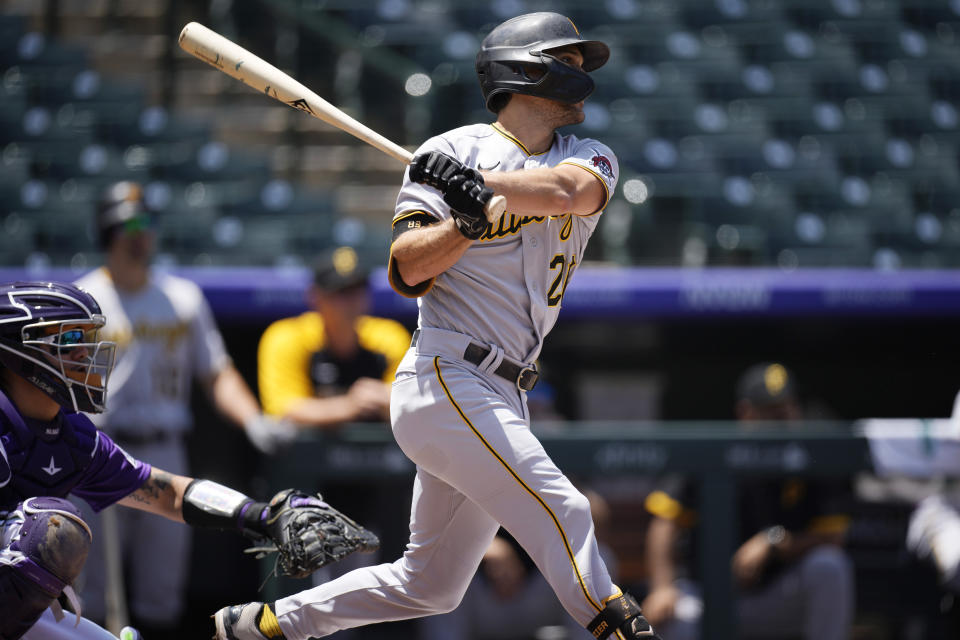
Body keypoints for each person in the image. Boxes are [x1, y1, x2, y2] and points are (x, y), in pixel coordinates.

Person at [212, 11, 659, 640]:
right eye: (569, 60)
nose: (582, 73)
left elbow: (566, 194)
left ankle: (261, 625)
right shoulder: (447, 153)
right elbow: (406, 270)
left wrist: (482, 187)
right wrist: (463, 224)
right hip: (448, 377)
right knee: (568, 507)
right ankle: (615, 624)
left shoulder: (586, 155)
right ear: (528, 71)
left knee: (432, 585)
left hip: (505, 390)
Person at [0, 281, 373, 640]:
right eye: (69, 339)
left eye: (86, 338)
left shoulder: (73, 437)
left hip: (22, 615)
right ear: (19, 352)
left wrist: (260, 516)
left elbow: (168, 493)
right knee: (45, 529)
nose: (85, 354)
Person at [73, 181, 296, 638]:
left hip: (163, 453)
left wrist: (252, 417)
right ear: (107, 231)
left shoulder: (182, 299)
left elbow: (217, 374)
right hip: (96, 453)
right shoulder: (83, 299)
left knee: (161, 591)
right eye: (129, 225)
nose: (141, 235)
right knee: (89, 596)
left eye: (147, 224)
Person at [642, 362, 855, 640]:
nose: (784, 418)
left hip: (777, 596)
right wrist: (662, 587)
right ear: (746, 413)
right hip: (709, 594)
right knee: (674, 616)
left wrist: (774, 542)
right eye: (772, 411)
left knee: (830, 567)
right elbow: (664, 523)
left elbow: (832, 538)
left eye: (789, 408)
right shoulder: (714, 451)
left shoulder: (812, 454)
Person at [257, 246, 410, 430]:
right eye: (341, 292)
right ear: (315, 297)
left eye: (357, 288)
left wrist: (389, 399)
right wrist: (349, 405)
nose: (352, 301)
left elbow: (410, 404)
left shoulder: (389, 337)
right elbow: (281, 411)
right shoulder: (286, 337)